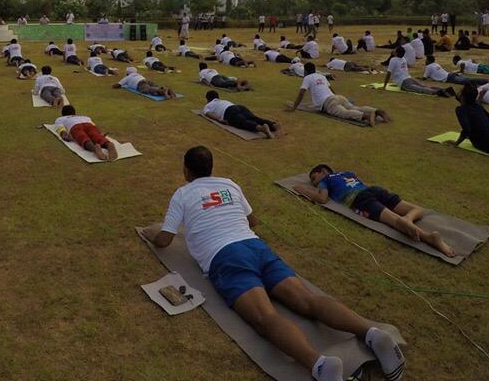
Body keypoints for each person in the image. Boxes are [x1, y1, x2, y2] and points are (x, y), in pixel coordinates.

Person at [142, 147, 406, 381]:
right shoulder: (229, 184)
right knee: (308, 301)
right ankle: (371, 333)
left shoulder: (182, 194)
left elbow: (165, 240)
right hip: (256, 247)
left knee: (265, 318)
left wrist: (151, 233)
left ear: (186, 171)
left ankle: (319, 364)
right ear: (211, 168)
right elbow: (252, 221)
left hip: (226, 257)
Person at [295, 165, 455, 257]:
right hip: (374, 190)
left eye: (313, 178)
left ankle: (428, 237)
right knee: (417, 209)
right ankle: (409, 217)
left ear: (323, 172)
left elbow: (322, 198)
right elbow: (362, 184)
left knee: (394, 220)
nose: (314, 183)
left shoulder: (325, 181)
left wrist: (302, 189)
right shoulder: (347, 173)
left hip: (359, 199)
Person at [288, 62, 389, 126]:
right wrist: (336, 98)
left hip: (328, 102)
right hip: (337, 97)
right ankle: (376, 111)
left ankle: (365, 116)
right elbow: (330, 88)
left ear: (306, 71)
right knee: (355, 107)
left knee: (344, 113)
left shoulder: (307, 78)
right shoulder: (321, 76)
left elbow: (301, 94)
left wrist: (294, 108)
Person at [382, 48, 455, 97]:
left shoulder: (393, 60)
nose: (393, 51)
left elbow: (388, 73)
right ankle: (442, 89)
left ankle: (438, 92)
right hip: (409, 78)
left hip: (403, 82)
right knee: (425, 86)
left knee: (420, 89)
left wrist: (384, 86)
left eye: (395, 50)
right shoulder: (403, 58)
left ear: (397, 53)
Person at [202, 90, 277, 137]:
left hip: (228, 112)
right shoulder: (223, 100)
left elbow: (208, 114)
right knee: (254, 118)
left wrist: (219, 119)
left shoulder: (207, 106)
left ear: (208, 99)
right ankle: (272, 125)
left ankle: (261, 128)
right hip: (238, 106)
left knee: (243, 122)